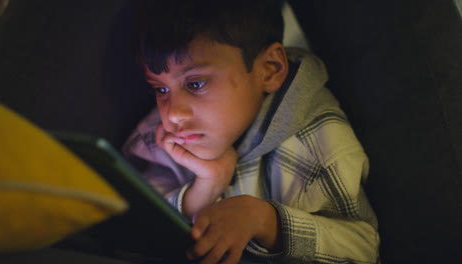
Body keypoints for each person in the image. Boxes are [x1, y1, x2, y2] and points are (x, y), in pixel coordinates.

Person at [123, 0, 380, 263]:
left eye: (196, 83)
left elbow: (364, 249)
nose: (173, 113)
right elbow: (138, 233)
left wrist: (265, 222)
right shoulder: (169, 139)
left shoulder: (319, 143)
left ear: (270, 69)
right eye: (161, 90)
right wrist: (207, 187)